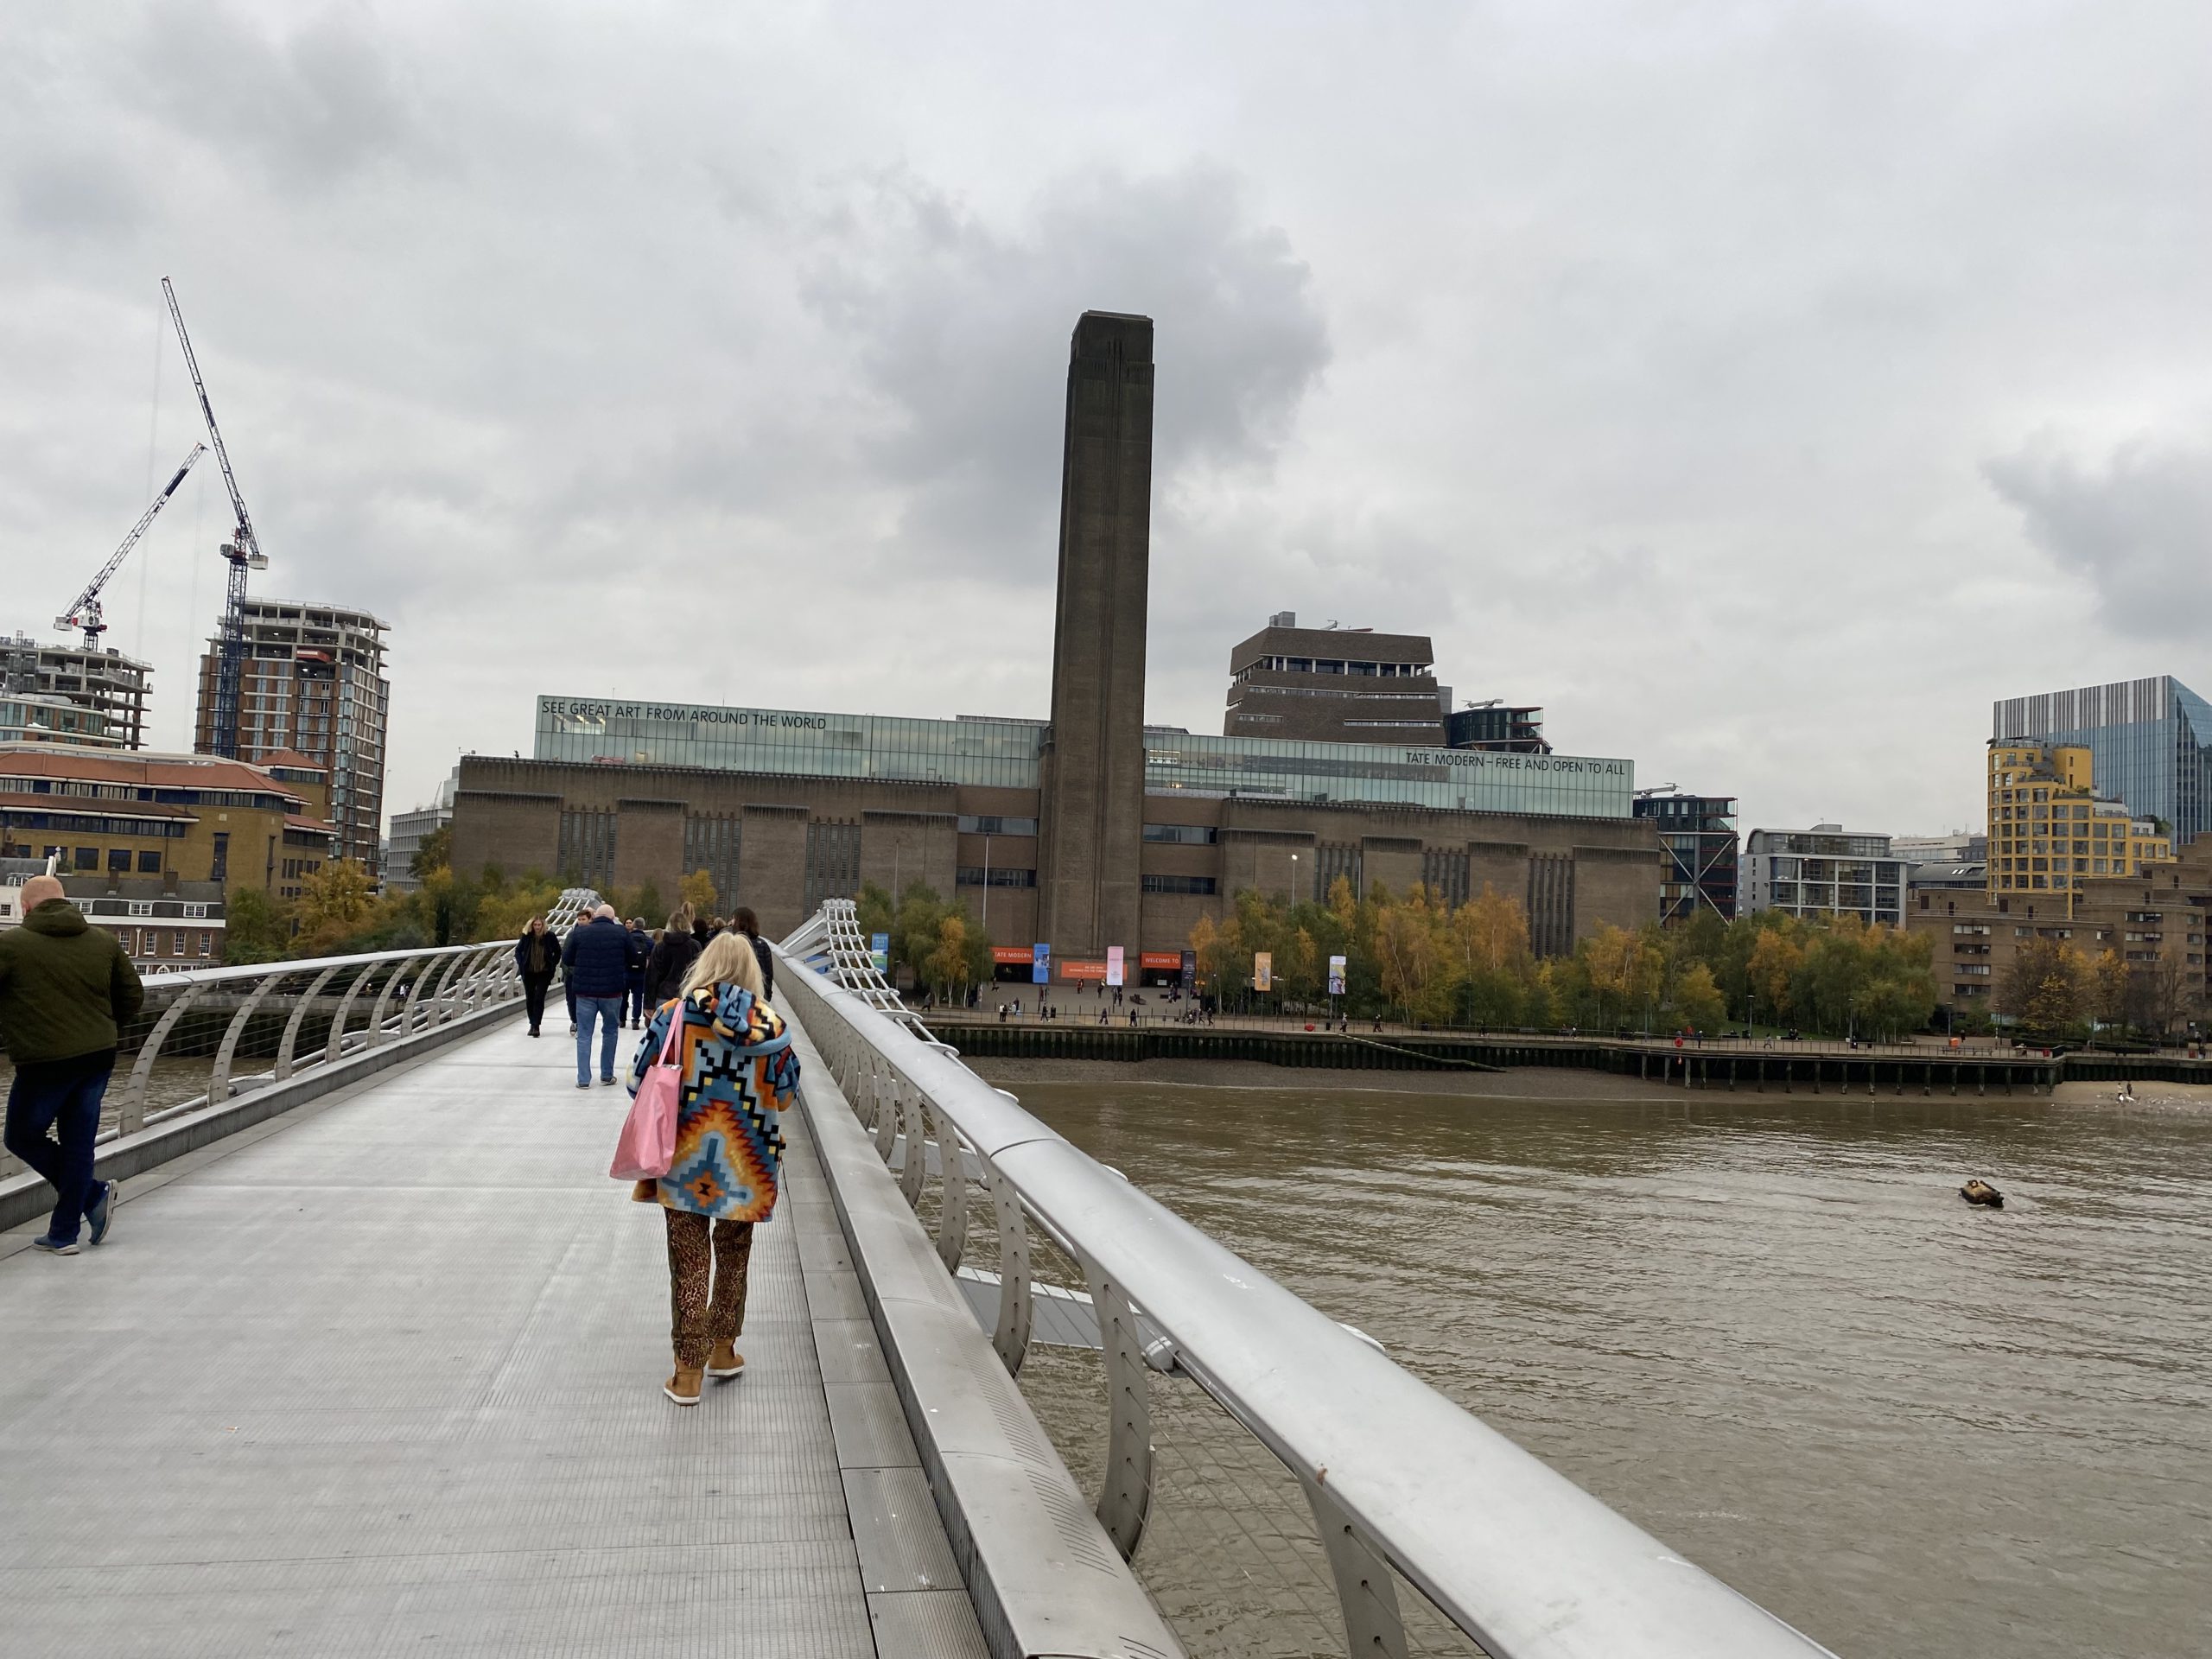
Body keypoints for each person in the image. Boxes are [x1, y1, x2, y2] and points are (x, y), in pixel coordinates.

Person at [627, 931, 798, 1406]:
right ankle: (723, 1350)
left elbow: (637, 1081)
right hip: (747, 1163)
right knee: (733, 1255)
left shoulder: (673, 1016)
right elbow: (785, 1097)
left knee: (690, 1261)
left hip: (682, 1157)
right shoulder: (775, 1030)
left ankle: (687, 1375)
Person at [0, 874, 145, 1255]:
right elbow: (132, 996)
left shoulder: (11, 945)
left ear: (25, 908)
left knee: (21, 1137)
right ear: (67, 902)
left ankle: (93, 1197)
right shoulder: (103, 941)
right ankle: (65, 1232)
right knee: (79, 1143)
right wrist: (100, 1026)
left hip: (44, 1061)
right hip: (98, 1054)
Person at [563, 904, 634, 1088]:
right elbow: (634, 957)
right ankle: (607, 1075)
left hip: (585, 992)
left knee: (584, 1034)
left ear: (594, 917)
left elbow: (567, 959)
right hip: (612, 992)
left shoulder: (580, 933)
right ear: (612, 918)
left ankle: (584, 1079)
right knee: (610, 1032)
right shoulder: (621, 933)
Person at [643, 905, 702, 1012]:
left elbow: (652, 976)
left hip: (664, 996)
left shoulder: (660, 947)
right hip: (687, 995)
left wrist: (648, 1004)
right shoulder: (694, 946)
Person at [513, 915, 560, 1037]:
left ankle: (536, 1025)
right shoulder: (527, 937)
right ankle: (532, 1023)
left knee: (539, 998)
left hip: (544, 972)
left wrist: (553, 964)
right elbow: (518, 950)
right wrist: (521, 962)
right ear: (532, 925)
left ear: (543, 925)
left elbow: (558, 951)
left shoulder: (550, 937)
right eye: (535, 925)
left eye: (539, 925)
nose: (537, 927)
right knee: (530, 998)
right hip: (529, 972)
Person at [731, 907, 775, 1003]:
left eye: (733, 918)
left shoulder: (732, 943)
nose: (731, 922)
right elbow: (768, 973)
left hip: (734, 994)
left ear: (739, 921)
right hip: (757, 994)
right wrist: (767, 996)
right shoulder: (762, 945)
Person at [624, 917, 652, 1028]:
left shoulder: (626, 939)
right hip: (641, 974)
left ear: (634, 926)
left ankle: (621, 1019)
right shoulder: (649, 942)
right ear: (643, 927)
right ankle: (635, 1020)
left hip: (626, 972)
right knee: (638, 997)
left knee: (624, 996)